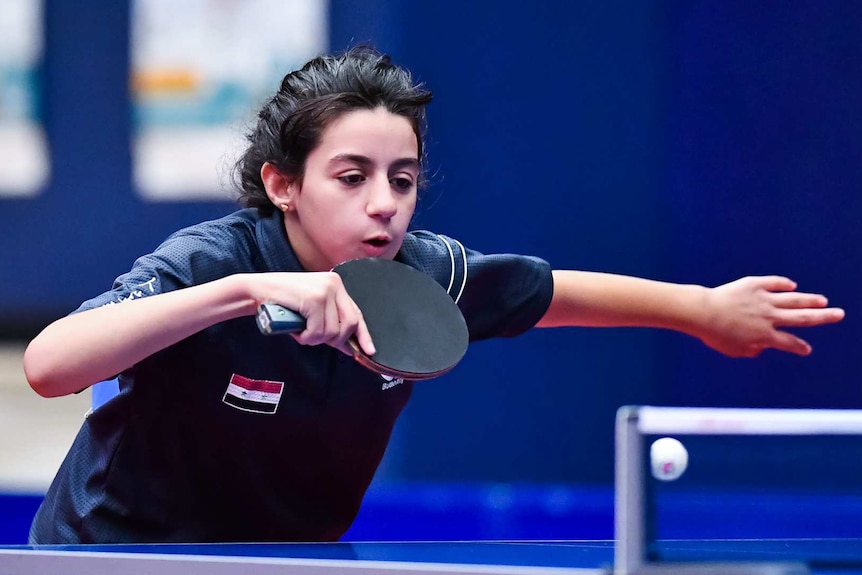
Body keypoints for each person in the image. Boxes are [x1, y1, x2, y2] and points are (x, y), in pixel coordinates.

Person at [23, 46, 844, 544]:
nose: (385, 202)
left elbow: (550, 291)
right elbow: (50, 366)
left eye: (403, 178)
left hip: (280, 553)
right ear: (282, 183)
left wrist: (701, 309)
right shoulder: (213, 259)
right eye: (352, 176)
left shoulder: (423, 272)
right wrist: (241, 293)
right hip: (116, 551)